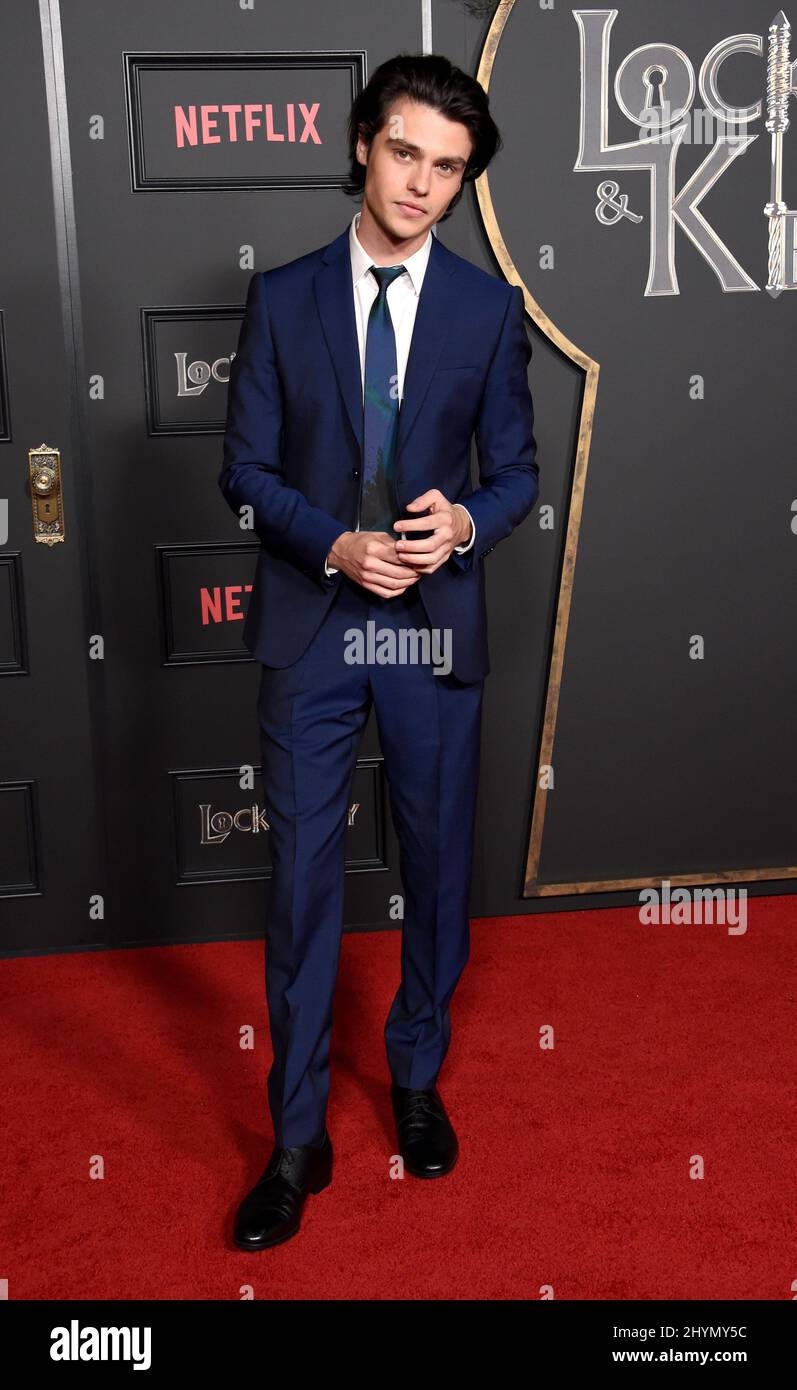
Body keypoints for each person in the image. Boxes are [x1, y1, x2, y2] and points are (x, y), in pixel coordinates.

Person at [219, 52, 539, 1251]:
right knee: (300, 886)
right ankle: (295, 1136)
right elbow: (241, 471)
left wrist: (463, 522)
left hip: (429, 630)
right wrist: (333, 548)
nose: (421, 184)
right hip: (315, 623)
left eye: (447, 168)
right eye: (405, 152)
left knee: (439, 871)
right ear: (363, 143)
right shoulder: (282, 295)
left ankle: (414, 1075)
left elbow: (515, 475)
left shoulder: (484, 309)